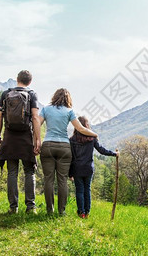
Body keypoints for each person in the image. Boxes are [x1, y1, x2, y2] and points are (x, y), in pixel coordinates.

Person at [38, 88, 98, 216]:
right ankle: (62, 211)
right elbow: (80, 128)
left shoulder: (46, 109)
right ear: (68, 99)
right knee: (62, 180)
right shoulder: (69, 111)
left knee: (48, 179)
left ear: (54, 96)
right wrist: (94, 134)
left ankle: (50, 210)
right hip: (64, 147)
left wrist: (37, 140)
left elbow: (37, 124)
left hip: (48, 145)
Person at [0, 70, 41, 214]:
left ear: (17, 79)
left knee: (12, 172)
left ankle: (13, 207)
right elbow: (34, 117)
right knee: (29, 172)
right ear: (30, 81)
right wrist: (37, 139)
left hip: (9, 135)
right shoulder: (32, 94)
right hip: (26, 135)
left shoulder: (6, 94)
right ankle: (30, 207)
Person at [69, 116, 118, 218]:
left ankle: (81, 212)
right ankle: (87, 212)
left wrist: (70, 173)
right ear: (87, 126)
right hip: (88, 168)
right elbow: (101, 150)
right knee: (87, 189)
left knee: (79, 190)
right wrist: (114, 154)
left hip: (77, 168)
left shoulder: (72, 140)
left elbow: (71, 157)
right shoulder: (92, 139)